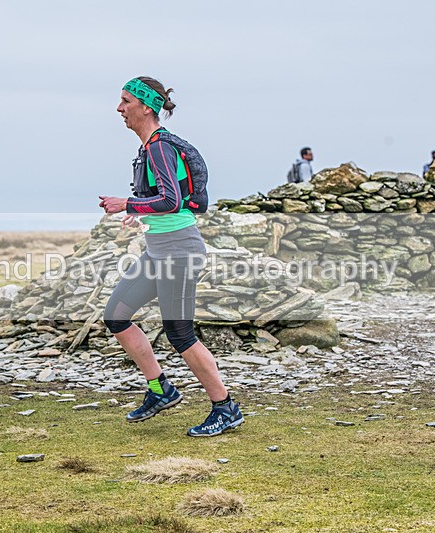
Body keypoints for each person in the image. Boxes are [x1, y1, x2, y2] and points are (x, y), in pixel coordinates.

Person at [98, 76, 244, 437]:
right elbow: (164, 201)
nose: (119, 108)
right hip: (158, 249)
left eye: (125, 101)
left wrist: (126, 203)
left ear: (146, 106)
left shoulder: (160, 147)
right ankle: (162, 389)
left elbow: (170, 200)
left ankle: (225, 409)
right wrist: (140, 212)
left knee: (180, 334)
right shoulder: (149, 148)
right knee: (116, 315)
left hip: (179, 251)